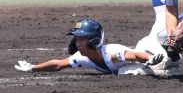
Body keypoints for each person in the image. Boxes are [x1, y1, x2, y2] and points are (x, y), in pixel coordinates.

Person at [14, 18, 170, 75]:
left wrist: (150, 58)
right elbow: (58, 64)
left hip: (153, 51)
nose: (77, 42)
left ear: (93, 41)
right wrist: (33, 68)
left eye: (81, 38)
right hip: (147, 59)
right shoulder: (82, 57)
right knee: (126, 71)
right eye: (76, 38)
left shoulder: (112, 53)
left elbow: (135, 55)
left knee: (129, 70)